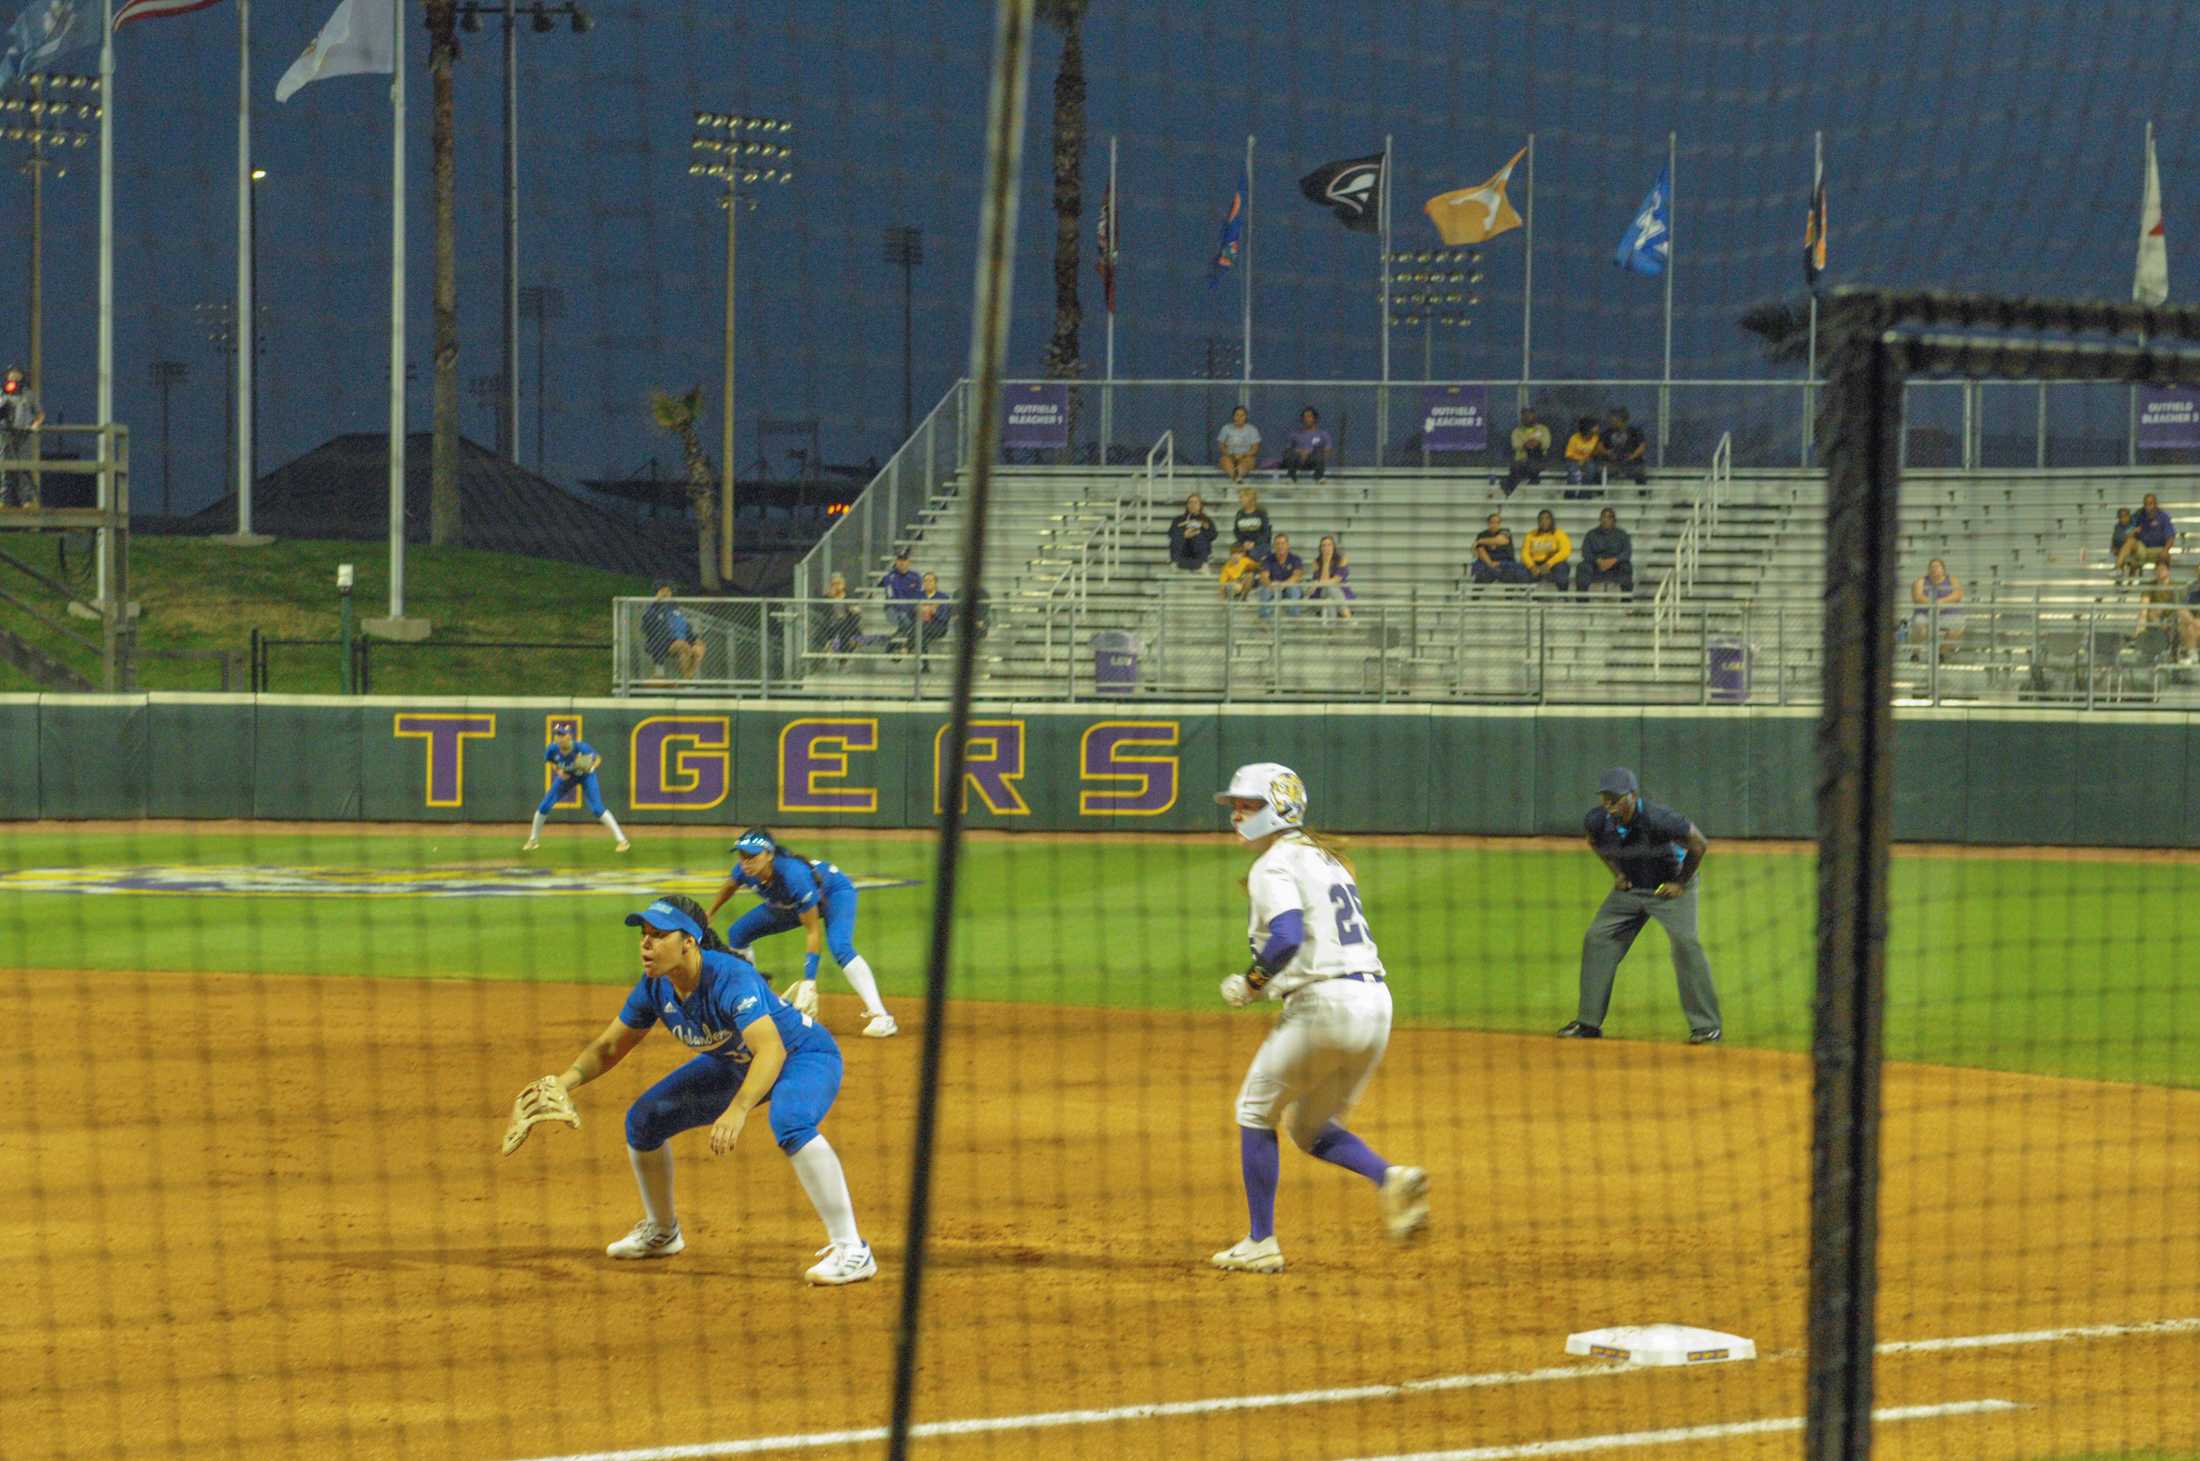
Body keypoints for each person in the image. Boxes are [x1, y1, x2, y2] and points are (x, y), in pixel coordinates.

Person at [503, 893, 878, 1283]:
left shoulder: (729, 977)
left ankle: (853, 1250)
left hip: (803, 1055)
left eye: (659, 935)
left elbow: (770, 1049)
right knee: (645, 1121)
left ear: (689, 943)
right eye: (644, 934)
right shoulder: (655, 987)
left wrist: (738, 1109)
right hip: (736, 1064)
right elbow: (611, 1046)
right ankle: (663, 1232)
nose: (646, 944)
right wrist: (564, 1082)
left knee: (790, 1120)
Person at [1207, 761, 1429, 1274]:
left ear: (1280, 807)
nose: (1238, 814)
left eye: (1249, 804)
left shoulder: (1275, 864)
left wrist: (1250, 983)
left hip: (1325, 1006)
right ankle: (1390, 1177)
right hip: (1375, 1006)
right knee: (1308, 1128)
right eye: (1235, 805)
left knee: (1253, 1110)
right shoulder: (1324, 857)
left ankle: (1261, 1241)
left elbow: (1287, 936)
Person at [1558, 767, 1723, 1044]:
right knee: (1598, 937)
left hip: (1669, 889)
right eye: (1606, 798)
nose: (1609, 804)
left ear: (1632, 796)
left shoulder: (1660, 818)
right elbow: (1594, 842)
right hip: (1632, 889)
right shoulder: (1597, 820)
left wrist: (1681, 882)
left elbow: (1699, 843)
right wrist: (1618, 874)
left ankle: (1707, 1027)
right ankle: (1588, 1023)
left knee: (1686, 943)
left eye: (1616, 798)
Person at [705, 827, 897, 1039]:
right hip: (792, 903)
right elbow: (730, 886)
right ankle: (754, 1001)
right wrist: (710, 912)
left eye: (752, 856)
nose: (746, 861)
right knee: (738, 932)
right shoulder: (745, 870)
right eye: (742, 856)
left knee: (840, 946)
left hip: (834, 894)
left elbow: (812, 931)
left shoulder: (793, 875)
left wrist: (809, 980)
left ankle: (882, 1017)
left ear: (769, 855)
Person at [524, 724, 631, 853]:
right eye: (557, 734)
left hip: (586, 776)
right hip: (568, 777)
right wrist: (558, 771)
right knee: (544, 805)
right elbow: (552, 762)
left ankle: (622, 841)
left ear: (569, 736)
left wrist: (591, 767)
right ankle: (533, 840)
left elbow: (597, 758)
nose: (558, 738)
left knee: (597, 808)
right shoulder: (552, 749)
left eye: (561, 735)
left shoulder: (581, 747)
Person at [640, 582, 705, 682]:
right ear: (657, 593)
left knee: (699, 647)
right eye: (663, 591)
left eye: (668, 591)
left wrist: (695, 639)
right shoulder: (653, 608)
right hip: (665, 643)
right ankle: (687, 679)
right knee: (683, 646)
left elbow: (685, 627)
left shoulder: (675, 609)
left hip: (683, 641)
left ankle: (689, 676)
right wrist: (657, 602)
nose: (666, 593)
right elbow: (647, 623)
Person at [1, 364, 44, 509]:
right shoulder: (2, 394)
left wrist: (34, 426)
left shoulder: (28, 394)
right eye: (11, 374)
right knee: (7, 469)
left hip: (24, 435)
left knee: (24, 469)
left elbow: (40, 414)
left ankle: (26, 502)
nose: (13, 376)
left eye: (16, 373)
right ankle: (4, 501)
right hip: (6, 434)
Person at [1904, 558, 1966, 652]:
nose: (1935, 569)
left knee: (1958, 629)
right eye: (1932, 566)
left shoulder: (1953, 580)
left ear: (1943, 569)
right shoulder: (1921, 581)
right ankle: (1915, 652)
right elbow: (1917, 597)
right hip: (1925, 615)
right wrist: (1934, 604)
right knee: (1919, 627)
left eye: (1937, 566)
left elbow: (1958, 595)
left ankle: (1940, 653)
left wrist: (1941, 602)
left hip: (1949, 615)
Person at [2116, 493, 2177, 576]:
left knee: (2165, 557)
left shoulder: (2163, 517)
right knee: (2131, 541)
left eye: (2151, 504)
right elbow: (2124, 531)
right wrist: (2133, 532)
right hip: (2142, 549)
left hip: (2157, 550)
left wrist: (2165, 550)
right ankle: (2118, 568)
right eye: (2146, 504)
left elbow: (2170, 537)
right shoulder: (2138, 516)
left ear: (2156, 504)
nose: (2148, 507)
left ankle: (2161, 581)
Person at [1576, 508, 1634, 595]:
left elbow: (1627, 553)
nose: (1606, 520)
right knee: (1582, 566)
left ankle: (1626, 602)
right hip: (1596, 566)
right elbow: (1585, 553)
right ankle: (1582, 601)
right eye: (1603, 517)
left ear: (1614, 520)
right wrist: (1597, 560)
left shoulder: (1622, 534)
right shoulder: (1591, 534)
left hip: (1616, 567)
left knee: (1626, 566)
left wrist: (1614, 560)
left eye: (1609, 517)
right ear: (1600, 519)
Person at [1498, 408, 1551, 497]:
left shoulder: (1543, 429)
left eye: (1528, 416)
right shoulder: (1516, 431)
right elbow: (1515, 444)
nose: (1525, 418)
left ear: (1534, 416)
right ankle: (1534, 478)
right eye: (1523, 416)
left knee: (1522, 466)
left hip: (1539, 460)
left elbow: (1546, 443)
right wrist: (1526, 444)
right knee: (1520, 465)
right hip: (1521, 461)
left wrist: (1537, 443)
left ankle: (1508, 486)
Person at [1468, 511, 1529, 585]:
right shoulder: (1482, 534)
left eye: (1497, 523)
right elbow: (1480, 551)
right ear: (1488, 523)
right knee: (1480, 572)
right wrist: (1491, 564)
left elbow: (1501, 541)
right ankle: (1476, 595)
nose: (1494, 525)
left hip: (1504, 561)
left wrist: (1480, 541)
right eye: (1492, 522)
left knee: (1517, 571)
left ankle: (1511, 595)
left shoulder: (1506, 531)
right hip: (1488, 563)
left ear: (1500, 524)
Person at [880, 549, 923, 650]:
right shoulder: (889, 577)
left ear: (909, 562)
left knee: (914, 619)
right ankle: (906, 645)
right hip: (892, 610)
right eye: (899, 560)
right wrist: (905, 608)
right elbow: (891, 597)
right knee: (905, 618)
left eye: (904, 560)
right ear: (896, 562)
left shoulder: (916, 577)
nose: (902, 563)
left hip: (910, 610)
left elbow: (917, 595)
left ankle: (894, 643)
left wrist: (911, 608)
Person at [1521, 509, 1573, 590]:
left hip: (1553, 564)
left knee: (1562, 567)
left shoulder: (1559, 533)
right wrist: (1531, 566)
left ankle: (1563, 596)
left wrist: (1548, 564)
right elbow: (1524, 553)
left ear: (1552, 520)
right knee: (1521, 571)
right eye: (1541, 519)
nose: (1544, 521)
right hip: (1535, 564)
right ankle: (1530, 598)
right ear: (1538, 521)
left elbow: (1565, 551)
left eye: (1547, 518)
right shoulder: (1531, 535)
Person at [1257, 532, 1306, 618]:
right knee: (1264, 590)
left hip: (1288, 587)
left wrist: (1283, 584)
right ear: (1274, 546)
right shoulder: (1268, 559)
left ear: (1288, 545)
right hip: (1273, 588)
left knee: (1294, 589)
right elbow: (1264, 577)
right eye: (1277, 544)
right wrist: (1270, 585)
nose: (1280, 546)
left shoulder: (1295, 559)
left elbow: (1297, 576)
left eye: (1283, 543)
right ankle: (1265, 620)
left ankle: (1293, 620)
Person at [1596, 408, 1649, 486]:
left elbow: (1642, 446)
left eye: (1613, 419)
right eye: (1610, 419)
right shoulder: (1607, 432)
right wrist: (1607, 453)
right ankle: (1600, 494)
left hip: (1632, 463)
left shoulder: (1634, 431)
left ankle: (1642, 494)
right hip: (1612, 463)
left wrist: (1633, 456)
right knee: (1599, 471)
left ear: (1622, 420)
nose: (1610, 422)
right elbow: (1599, 446)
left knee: (1640, 471)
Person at [1308, 535, 1355, 620]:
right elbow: (1323, 584)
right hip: (1321, 595)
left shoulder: (1342, 559)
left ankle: (1331, 631)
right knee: (1329, 589)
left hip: (1341, 595)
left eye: (1329, 545)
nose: (1326, 548)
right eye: (1324, 545)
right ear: (1320, 548)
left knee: (1329, 600)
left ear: (1334, 547)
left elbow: (1336, 580)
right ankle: (1349, 619)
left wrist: (1318, 583)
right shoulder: (1316, 562)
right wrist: (1326, 562)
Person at [1169, 493, 1219, 572]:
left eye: (1195, 502)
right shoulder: (1178, 519)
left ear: (1200, 505)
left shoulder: (1206, 520)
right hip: (1183, 551)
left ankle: (1204, 564)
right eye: (1190, 502)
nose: (1192, 505)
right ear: (1187, 505)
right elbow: (1171, 533)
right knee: (1176, 538)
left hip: (1199, 552)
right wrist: (1184, 535)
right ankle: (1175, 563)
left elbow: (1213, 535)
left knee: (1199, 536)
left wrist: (1202, 531)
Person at [1280, 407, 1332, 482]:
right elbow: (1287, 451)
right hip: (1297, 461)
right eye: (1304, 417)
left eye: (1309, 416)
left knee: (1318, 453)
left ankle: (1319, 477)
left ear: (1315, 419)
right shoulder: (1294, 434)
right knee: (1290, 453)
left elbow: (1328, 452)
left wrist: (1309, 453)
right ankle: (1291, 478)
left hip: (1313, 462)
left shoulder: (1323, 434)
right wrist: (1298, 452)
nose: (1306, 419)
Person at [818, 572, 863, 655]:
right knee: (839, 625)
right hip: (832, 623)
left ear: (843, 584)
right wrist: (831, 598)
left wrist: (852, 609)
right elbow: (823, 611)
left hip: (848, 622)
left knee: (845, 624)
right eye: (834, 584)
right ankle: (836, 647)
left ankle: (834, 646)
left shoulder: (849, 596)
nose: (836, 586)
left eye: (839, 583)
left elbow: (858, 609)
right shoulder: (827, 597)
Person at [1216, 405, 1262, 484]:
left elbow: (1255, 448)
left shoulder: (1252, 429)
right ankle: (1236, 477)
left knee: (1248, 462)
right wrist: (1230, 454)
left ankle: (1238, 475)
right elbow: (1221, 446)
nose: (1239, 417)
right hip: (1230, 456)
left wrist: (1243, 454)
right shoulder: (1226, 428)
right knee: (1224, 461)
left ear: (1246, 417)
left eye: (1242, 415)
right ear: (1233, 416)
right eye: (1237, 415)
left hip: (1246, 456)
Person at [1230, 485, 1273, 558]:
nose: (1240, 500)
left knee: (1253, 554)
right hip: (1244, 542)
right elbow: (1236, 531)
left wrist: (1255, 543)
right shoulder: (1239, 514)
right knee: (1235, 551)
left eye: (1242, 497)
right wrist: (1244, 542)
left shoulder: (1261, 513)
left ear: (1250, 499)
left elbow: (1266, 533)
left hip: (1260, 543)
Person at [915, 570, 953, 651]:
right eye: (925, 581)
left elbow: (945, 617)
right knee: (922, 636)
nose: (927, 583)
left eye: (930, 581)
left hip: (938, 627)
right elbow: (910, 611)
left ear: (935, 583)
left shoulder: (944, 597)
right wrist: (917, 610)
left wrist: (934, 611)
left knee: (919, 630)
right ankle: (924, 663)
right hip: (921, 626)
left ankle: (905, 647)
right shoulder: (917, 595)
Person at [1562, 416, 1602, 486]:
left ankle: (1585, 494)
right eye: (1595, 426)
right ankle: (1570, 494)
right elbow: (1568, 455)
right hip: (1574, 461)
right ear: (1588, 427)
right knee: (1574, 474)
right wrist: (1580, 461)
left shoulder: (1597, 439)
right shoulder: (1574, 438)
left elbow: (1595, 455)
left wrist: (1597, 452)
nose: (1597, 427)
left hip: (1589, 461)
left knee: (1590, 468)